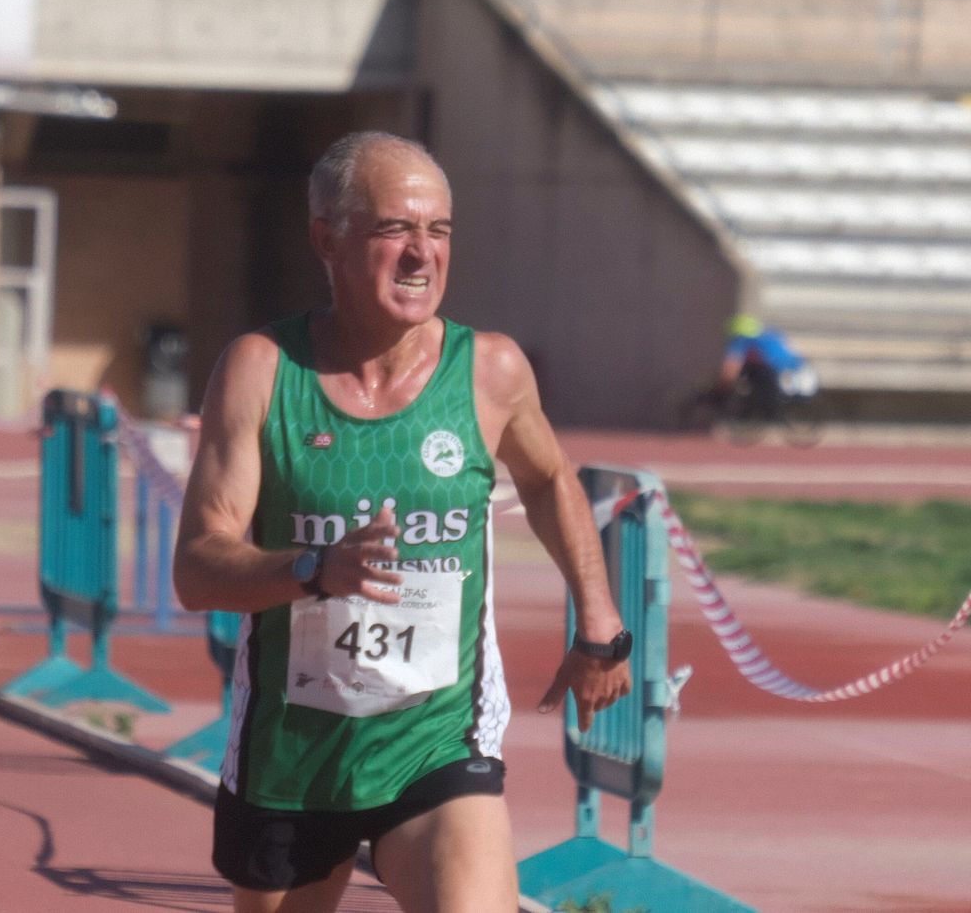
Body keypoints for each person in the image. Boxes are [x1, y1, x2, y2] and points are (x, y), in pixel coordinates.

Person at [173, 131, 632, 912]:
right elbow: (196, 568)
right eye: (395, 229)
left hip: (435, 742)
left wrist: (599, 624)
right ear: (328, 237)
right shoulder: (263, 369)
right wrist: (310, 571)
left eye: (439, 230)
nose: (423, 253)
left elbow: (551, 478)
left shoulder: (489, 370)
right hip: (294, 751)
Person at [719, 313, 818, 416]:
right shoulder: (770, 333)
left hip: (775, 372)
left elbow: (732, 365)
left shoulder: (742, 340)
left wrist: (724, 384)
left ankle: (758, 410)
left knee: (753, 377)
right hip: (795, 367)